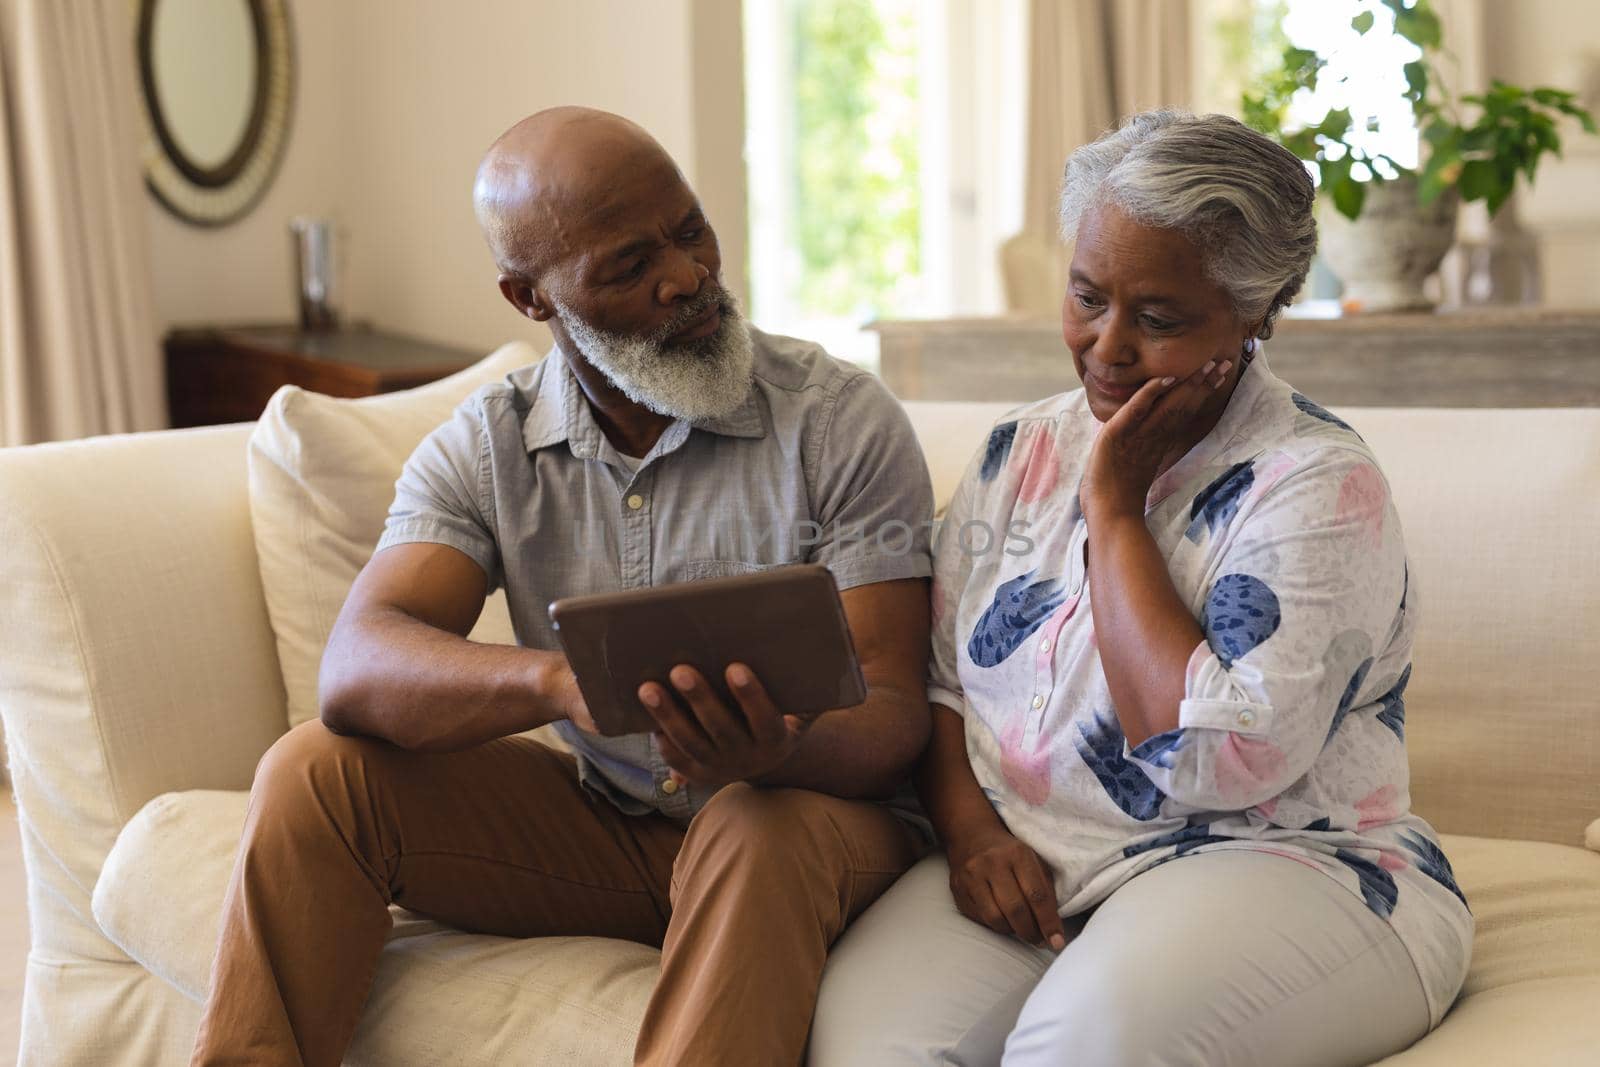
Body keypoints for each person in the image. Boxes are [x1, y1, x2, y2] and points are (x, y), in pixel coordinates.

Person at [189, 107, 936, 1067]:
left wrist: (774, 752)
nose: (688, 276)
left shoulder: (837, 420)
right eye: (629, 267)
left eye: (691, 229)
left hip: (810, 827)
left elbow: (895, 712)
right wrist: (556, 683)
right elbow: (358, 663)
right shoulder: (489, 443)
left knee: (754, 820)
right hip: (613, 827)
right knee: (312, 772)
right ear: (530, 297)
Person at [811, 109, 1473, 1067]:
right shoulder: (1017, 450)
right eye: (1087, 298)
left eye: (1159, 320)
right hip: (1040, 860)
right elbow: (943, 683)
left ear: (1253, 317)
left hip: (1288, 864)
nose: (1106, 347)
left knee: (1077, 1050)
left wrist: (1116, 510)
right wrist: (967, 835)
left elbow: (1208, 762)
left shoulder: (1319, 485)